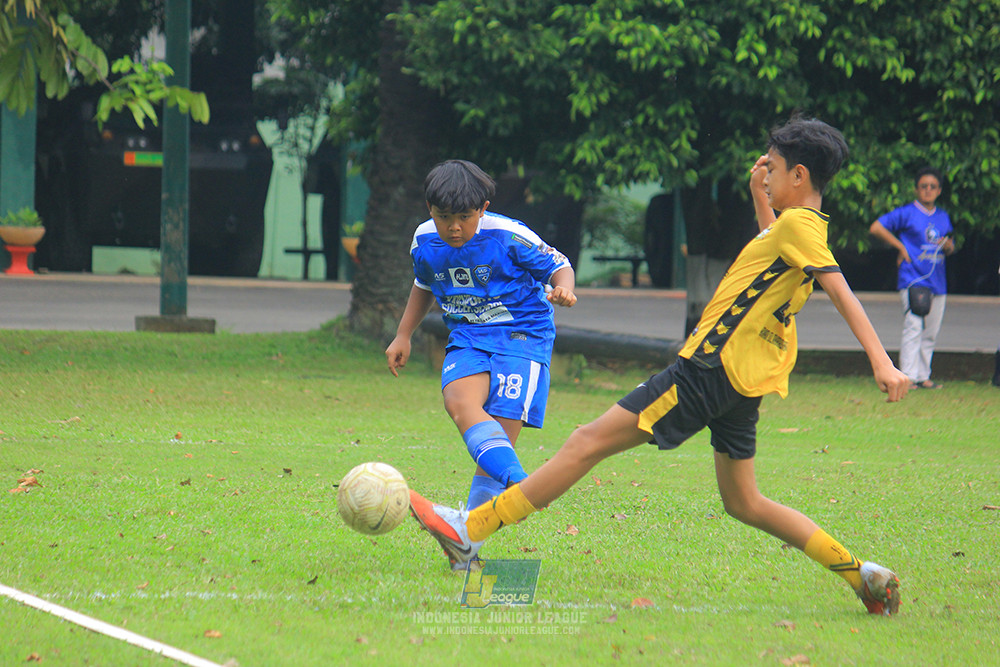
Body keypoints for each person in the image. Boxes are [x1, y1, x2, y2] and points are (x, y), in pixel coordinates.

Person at [409, 117, 910, 616]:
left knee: (586, 442)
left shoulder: (799, 227)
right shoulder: (798, 228)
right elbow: (772, 245)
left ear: (799, 176)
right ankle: (860, 573)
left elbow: (838, 288)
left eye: (774, 170)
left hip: (707, 370)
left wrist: (882, 362)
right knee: (744, 502)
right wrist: (760, 195)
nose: (768, 175)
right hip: (743, 382)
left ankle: (468, 531)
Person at [386, 159, 577, 568]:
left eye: (464, 218)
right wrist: (404, 334)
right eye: (444, 218)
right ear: (429, 209)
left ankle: (468, 538)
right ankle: (523, 487)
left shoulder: (508, 235)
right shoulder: (424, 240)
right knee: (459, 402)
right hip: (469, 335)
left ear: (483, 208)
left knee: (497, 440)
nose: (454, 228)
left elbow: (559, 265)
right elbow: (423, 284)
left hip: (522, 337)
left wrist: (563, 290)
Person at [869, 167, 955, 389]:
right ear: (917, 189)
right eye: (923, 186)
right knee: (913, 327)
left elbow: (949, 246)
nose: (928, 190)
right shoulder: (906, 213)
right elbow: (877, 227)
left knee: (931, 331)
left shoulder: (943, 216)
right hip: (913, 278)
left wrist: (948, 246)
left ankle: (923, 375)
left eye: (932, 187)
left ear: (939, 191)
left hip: (937, 280)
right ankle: (907, 376)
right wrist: (900, 246)